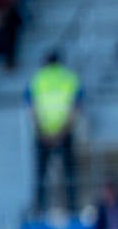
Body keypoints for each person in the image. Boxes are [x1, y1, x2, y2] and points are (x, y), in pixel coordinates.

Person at [27, 51, 82, 216]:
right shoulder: (70, 77)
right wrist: (63, 131)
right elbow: (76, 107)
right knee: (69, 173)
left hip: (43, 133)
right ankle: (72, 208)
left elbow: (31, 109)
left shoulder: (37, 78)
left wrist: (40, 131)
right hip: (64, 132)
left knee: (41, 173)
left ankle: (39, 208)